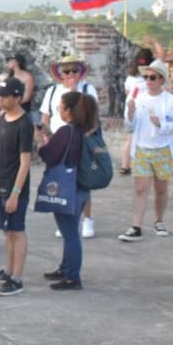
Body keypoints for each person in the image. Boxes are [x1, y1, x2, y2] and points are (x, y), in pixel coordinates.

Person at [118, 61, 173, 242]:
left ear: (161, 80)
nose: (148, 80)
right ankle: (136, 226)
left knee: (161, 188)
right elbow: (129, 126)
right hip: (142, 149)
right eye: (146, 76)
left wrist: (161, 124)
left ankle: (159, 220)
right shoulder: (137, 97)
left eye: (152, 77)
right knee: (140, 188)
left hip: (163, 150)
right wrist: (130, 113)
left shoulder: (171, 100)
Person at [39, 92, 99, 291]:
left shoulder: (67, 131)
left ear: (70, 111)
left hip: (67, 187)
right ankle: (66, 268)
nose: (58, 110)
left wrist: (41, 141)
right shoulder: (88, 130)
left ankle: (73, 277)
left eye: (61, 107)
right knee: (69, 230)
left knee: (70, 232)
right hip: (82, 187)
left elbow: (49, 155)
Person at [38, 54, 98, 238]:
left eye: (75, 70)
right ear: (60, 74)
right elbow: (45, 116)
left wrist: (75, 92)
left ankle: (86, 219)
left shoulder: (88, 89)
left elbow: (94, 118)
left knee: (83, 181)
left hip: (81, 141)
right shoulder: (52, 92)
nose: (71, 74)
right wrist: (47, 136)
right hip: (59, 140)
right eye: (67, 71)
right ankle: (65, 217)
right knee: (61, 181)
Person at [0, 77, 33, 296]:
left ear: (17, 97)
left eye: (5, 96)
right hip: (2, 182)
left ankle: (17, 278)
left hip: (15, 186)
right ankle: (8, 269)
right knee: (7, 231)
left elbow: (25, 162)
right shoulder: (4, 119)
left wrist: (15, 193)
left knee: (17, 230)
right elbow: (0, 156)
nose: (1, 100)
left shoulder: (25, 124)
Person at [119, 46, 157, 175]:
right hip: (146, 109)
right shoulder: (152, 77)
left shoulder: (130, 78)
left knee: (129, 138)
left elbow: (127, 92)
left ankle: (125, 166)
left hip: (131, 109)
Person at [5, 52, 36, 117]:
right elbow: (3, 92)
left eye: (10, 60)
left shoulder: (28, 77)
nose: (8, 62)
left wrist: (13, 105)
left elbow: (26, 98)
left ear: (17, 62)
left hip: (22, 109)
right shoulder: (8, 77)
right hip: (9, 108)